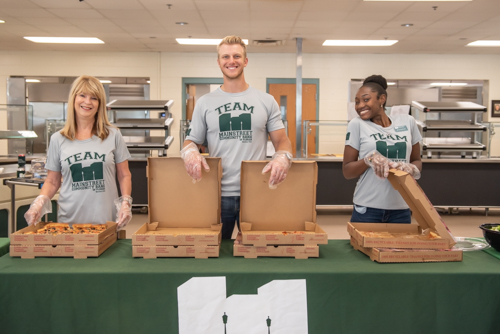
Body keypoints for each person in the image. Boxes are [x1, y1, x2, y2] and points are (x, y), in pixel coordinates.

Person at [181, 35, 293, 239]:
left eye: (236, 56)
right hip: (217, 192)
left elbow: (281, 141)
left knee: (255, 251)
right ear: (218, 62)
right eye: (225, 56)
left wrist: (283, 156)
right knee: (215, 250)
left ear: (245, 61)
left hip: (255, 191)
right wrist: (190, 152)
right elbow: (192, 140)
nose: (231, 61)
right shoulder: (205, 103)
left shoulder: (266, 101)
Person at [24, 75, 133, 230]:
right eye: (82, 95)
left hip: (105, 222)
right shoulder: (57, 139)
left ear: (100, 103)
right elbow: (52, 181)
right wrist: (39, 203)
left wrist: (125, 202)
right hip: (68, 223)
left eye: (94, 98)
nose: (87, 102)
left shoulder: (113, 135)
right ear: (73, 98)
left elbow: (124, 175)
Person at [342, 74, 422, 224]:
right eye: (357, 101)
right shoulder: (357, 124)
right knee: (363, 248)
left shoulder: (408, 122)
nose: (360, 106)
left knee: (399, 248)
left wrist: (411, 168)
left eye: (366, 100)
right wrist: (368, 159)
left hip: (402, 207)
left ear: (382, 99)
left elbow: (417, 160)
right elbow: (347, 171)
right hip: (367, 207)